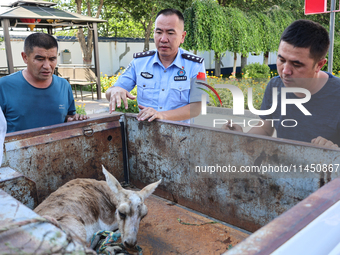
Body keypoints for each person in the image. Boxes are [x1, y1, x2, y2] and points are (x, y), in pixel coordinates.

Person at [223, 19, 340, 148]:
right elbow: (266, 129)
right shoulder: (275, 86)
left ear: (319, 65)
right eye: (281, 59)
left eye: (296, 64)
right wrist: (242, 137)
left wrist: (334, 153)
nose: (285, 71)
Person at [105, 8, 206, 123]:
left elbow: (197, 106)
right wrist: (115, 91)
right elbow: (110, 92)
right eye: (158, 32)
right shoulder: (140, 62)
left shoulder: (195, 65)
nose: (163, 39)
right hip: (145, 135)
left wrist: (162, 115)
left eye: (170, 33)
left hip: (180, 137)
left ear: (182, 36)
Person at [0, 33, 88, 133]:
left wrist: (76, 120)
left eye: (52, 59)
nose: (47, 66)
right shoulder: (3, 86)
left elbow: (69, 117)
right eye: (40, 59)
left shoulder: (64, 85)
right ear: (25, 57)